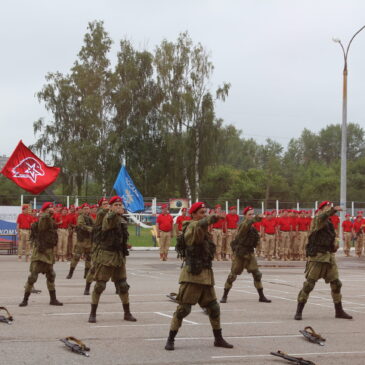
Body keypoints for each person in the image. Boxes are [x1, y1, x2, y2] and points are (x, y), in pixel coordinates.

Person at [165, 202, 233, 351]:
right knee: (183, 309)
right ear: (194, 214)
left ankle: (218, 338)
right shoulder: (192, 227)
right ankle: (170, 339)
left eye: (205, 212)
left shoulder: (203, 229)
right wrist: (214, 217)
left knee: (214, 308)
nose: (204, 215)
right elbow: (200, 225)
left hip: (206, 275)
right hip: (193, 276)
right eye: (201, 212)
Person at [294, 201, 352, 320]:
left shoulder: (328, 223)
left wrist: (334, 243)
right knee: (309, 284)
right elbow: (322, 216)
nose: (329, 209)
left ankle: (339, 311)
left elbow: (330, 237)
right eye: (327, 207)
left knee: (336, 284)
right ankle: (299, 311)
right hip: (318, 257)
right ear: (321, 209)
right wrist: (333, 210)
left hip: (328, 256)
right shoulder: (317, 219)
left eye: (330, 207)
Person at [88, 196, 136, 323]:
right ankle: (93, 313)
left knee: (123, 285)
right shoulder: (107, 217)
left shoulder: (122, 219)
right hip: (106, 256)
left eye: (120, 205)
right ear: (110, 206)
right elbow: (107, 224)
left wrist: (125, 245)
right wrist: (113, 213)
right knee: (100, 285)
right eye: (116, 205)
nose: (119, 207)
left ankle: (127, 313)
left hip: (119, 256)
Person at [220, 206, 271, 304]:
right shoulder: (243, 224)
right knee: (232, 276)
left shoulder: (252, 226)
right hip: (240, 254)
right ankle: (224, 295)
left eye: (252, 214)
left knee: (257, 274)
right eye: (249, 214)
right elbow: (246, 225)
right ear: (245, 216)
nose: (251, 216)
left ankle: (261, 296)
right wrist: (256, 218)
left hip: (250, 253)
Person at [19, 202, 63, 307]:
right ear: (45, 210)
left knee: (51, 276)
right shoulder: (43, 219)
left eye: (52, 207)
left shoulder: (50, 220)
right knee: (33, 277)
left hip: (48, 253)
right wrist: (47, 214)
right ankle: (25, 299)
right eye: (50, 208)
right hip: (40, 253)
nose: (52, 209)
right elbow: (42, 227)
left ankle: (53, 299)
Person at [84, 197, 110, 295]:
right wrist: (106, 210)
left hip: (109, 245)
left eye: (107, 203)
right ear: (100, 206)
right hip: (99, 245)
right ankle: (87, 287)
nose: (106, 205)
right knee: (94, 267)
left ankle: (118, 287)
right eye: (104, 204)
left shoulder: (111, 214)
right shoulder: (100, 214)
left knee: (114, 266)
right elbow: (102, 214)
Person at [66, 203, 93, 279]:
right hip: (82, 241)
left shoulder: (90, 217)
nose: (86, 210)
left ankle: (86, 274)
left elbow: (94, 225)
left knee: (89, 258)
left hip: (89, 240)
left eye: (87, 208)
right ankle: (70, 273)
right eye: (85, 209)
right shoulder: (81, 217)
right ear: (82, 210)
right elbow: (81, 225)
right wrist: (90, 229)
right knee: (76, 257)